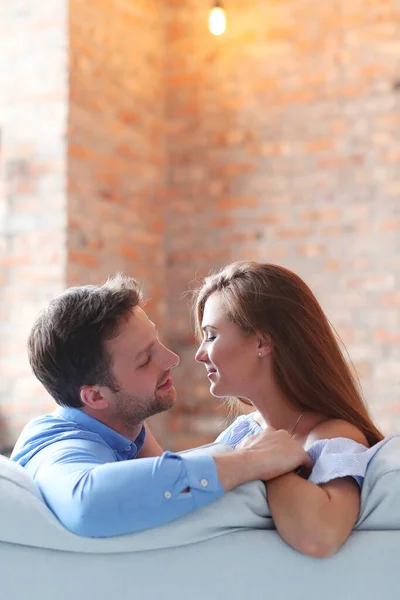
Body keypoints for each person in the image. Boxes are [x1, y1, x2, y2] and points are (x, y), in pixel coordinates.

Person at [11, 273, 313, 538]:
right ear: (95, 397)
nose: (173, 359)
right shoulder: (54, 444)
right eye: (145, 360)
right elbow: (87, 503)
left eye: (156, 342)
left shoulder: (123, 432)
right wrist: (251, 460)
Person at [193, 260, 386, 558]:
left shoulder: (334, 436)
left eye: (212, 335)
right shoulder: (246, 432)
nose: (199, 353)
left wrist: (266, 462)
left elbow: (320, 537)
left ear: (263, 341)